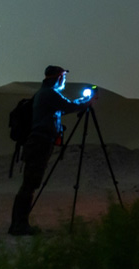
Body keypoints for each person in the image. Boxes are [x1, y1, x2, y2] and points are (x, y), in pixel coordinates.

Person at [8, 65, 95, 236]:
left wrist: (82, 102)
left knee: (30, 183)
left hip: (39, 142)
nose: (64, 81)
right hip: (39, 142)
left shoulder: (46, 94)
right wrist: (87, 102)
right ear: (58, 78)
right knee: (30, 184)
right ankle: (19, 225)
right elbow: (68, 107)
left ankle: (19, 223)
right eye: (63, 77)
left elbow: (65, 106)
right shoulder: (49, 94)